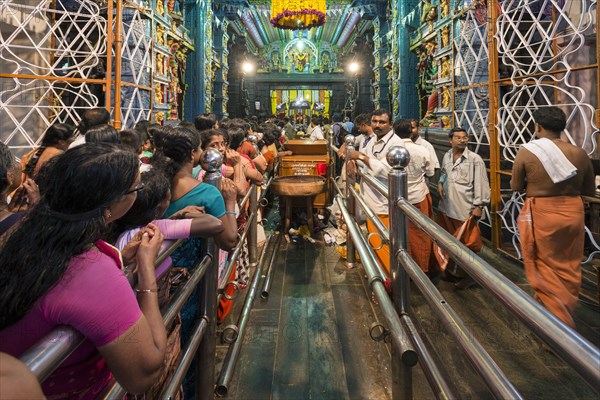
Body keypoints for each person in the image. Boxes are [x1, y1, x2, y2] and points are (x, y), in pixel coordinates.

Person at [0, 143, 167, 399]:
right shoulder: (91, 271)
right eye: (137, 188)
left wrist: (120, 258)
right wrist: (145, 268)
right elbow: (143, 374)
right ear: (113, 202)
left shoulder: (17, 232)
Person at [511, 107, 594, 328]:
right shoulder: (579, 153)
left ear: (537, 126)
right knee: (568, 265)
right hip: (573, 212)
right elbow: (588, 189)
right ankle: (549, 314)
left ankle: (559, 327)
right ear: (562, 127)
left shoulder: (528, 151)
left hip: (543, 213)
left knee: (545, 266)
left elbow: (516, 186)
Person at [346, 109, 403, 274]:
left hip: (384, 202)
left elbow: (383, 170)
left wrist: (360, 157)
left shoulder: (396, 144)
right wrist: (354, 161)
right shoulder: (372, 140)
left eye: (382, 122)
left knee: (383, 245)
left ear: (390, 124)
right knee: (375, 242)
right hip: (369, 198)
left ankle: (387, 286)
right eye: (375, 121)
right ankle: (379, 278)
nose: (377, 125)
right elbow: (365, 161)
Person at [437, 127, 490, 289]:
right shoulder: (447, 155)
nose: (462, 140)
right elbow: (445, 173)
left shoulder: (475, 159)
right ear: (450, 140)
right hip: (447, 207)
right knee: (450, 242)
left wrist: (479, 205)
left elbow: (481, 183)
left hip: (465, 209)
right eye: (458, 137)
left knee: (470, 245)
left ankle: (473, 276)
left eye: (465, 137)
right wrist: (440, 182)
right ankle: (455, 272)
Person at [393, 119, 436, 275]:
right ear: (411, 132)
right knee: (420, 234)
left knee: (399, 232)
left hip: (396, 195)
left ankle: (401, 267)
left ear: (394, 132)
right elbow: (430, 172)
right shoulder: (422, 150)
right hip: (418, 196)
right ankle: (421, 269)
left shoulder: (391, 150)